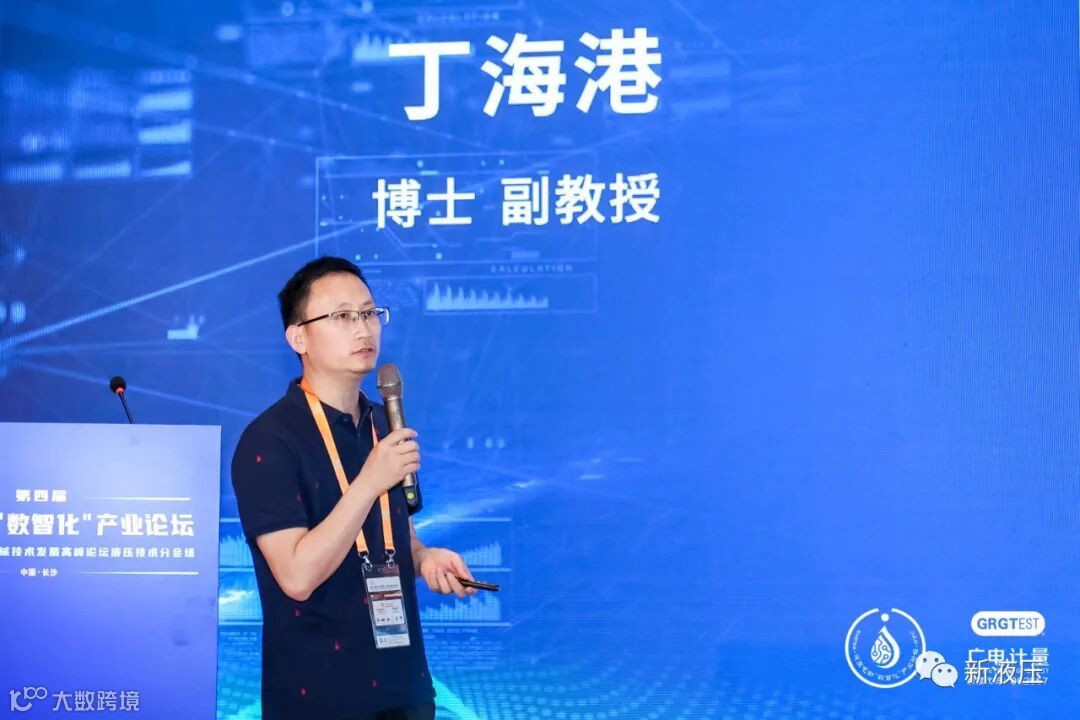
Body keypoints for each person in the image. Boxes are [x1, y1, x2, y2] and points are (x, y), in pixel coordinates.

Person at [231, 256, 477, 720]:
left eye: (369, 313)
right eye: (342, 316)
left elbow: (394, 535)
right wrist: (369, 482)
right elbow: (296, 576)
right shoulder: (269, 440)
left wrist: (424, 558)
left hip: (405, 690)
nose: (363, 329)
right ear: (298, 337)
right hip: (319, 697)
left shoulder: (385, 422)